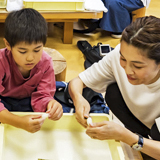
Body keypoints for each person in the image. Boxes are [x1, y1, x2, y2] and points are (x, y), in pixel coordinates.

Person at [68, 15, 160, 159]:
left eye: (137, 65)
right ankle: (143, 141)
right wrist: (78, 99)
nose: (128, 70)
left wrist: (127, 137)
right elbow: (77, 81)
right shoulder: (118, 54)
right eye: (123, 59)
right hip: (144, 124)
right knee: (113, 93)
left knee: (156, 132)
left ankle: (146, 144)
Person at [0, 8, 63, 133]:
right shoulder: (1, 61)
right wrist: (18, 122)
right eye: (22, 51)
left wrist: (50, 105)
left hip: (28, 101)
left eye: (37, 50)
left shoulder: (45, 62)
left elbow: (43, 95)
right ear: (7, 44)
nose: (30, 58)